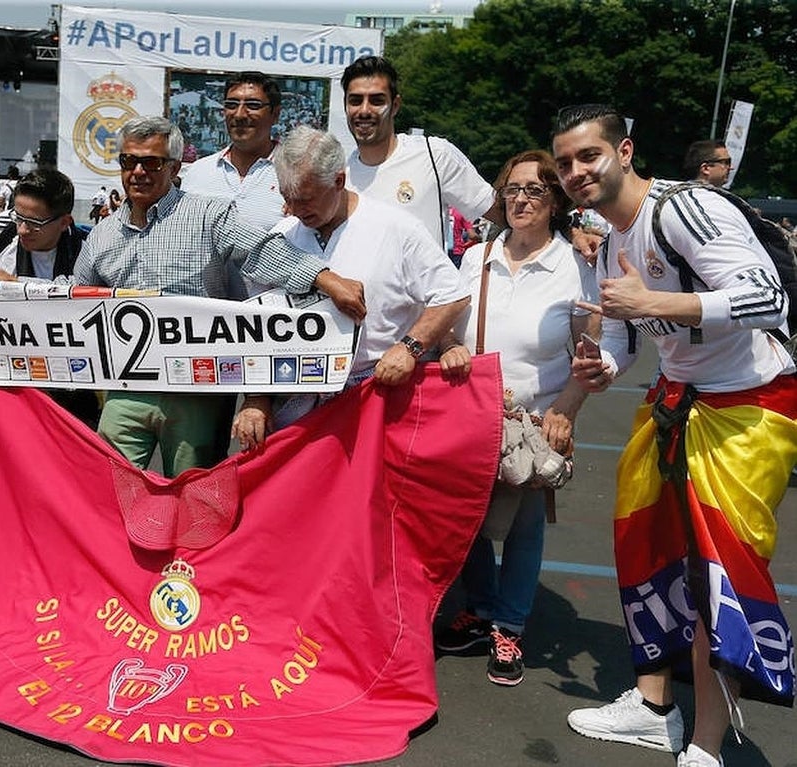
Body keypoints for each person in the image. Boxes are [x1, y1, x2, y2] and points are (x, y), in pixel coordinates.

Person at [553, 104, 796, 767]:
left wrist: (655, 303)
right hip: (673, 400)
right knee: (646, 547)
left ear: (624, 152)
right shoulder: (609, 239)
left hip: (749, 407)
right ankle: (654, 705)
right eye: (565, 162)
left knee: (718, 571)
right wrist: (600, 367)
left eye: (589, 155)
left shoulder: (685, 209)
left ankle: (707, 744)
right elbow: (622, 338)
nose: (576, 171)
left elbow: (767, 298)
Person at [72, 115, 366, 478]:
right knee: (105, 485)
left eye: (151, 163)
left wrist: (325, 279)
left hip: (198, 389)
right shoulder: (101, 236)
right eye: (129, 161)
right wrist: (16, 291)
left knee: (193, 492)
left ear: (174, 168)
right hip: (128, 389)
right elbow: (73, 301)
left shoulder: (209, 215)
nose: (138, 172)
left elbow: (262, 251)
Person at [433, 150, 599, 688]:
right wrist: (450, 345)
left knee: (524, 528)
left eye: (534, 190)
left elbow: (594, 349)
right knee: (470, 523)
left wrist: (565, 410)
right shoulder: (475, 257)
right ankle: (481, 608)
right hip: (475, 414)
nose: (521, 200)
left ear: (556, 201)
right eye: (512, 189)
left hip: (536, 419)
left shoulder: (575, 266)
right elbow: (446, 318)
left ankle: (509, 625)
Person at [231, 126, 468, 447]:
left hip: (376, 400)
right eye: (287, 198)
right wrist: (256, 399)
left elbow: (452, 294)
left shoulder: (396, 228)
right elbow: (257, 324)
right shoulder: (282, 236)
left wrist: (410, 347)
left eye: (306, 199)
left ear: (339, 181)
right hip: (299, 409)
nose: (296, 210)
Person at [0, 169, 101, 428]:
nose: (23, 229)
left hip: (71, 375)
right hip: (11, 372)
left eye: (35, 222)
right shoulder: (2, 236)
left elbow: (87, 302)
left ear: (64, 222)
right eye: (18, 216)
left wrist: (15, 286)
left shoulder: (87, 249)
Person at [341, 55, 503, 255]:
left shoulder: (435, 156)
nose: (364, 110)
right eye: (355, 101)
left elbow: (503, 215)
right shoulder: (340, 177)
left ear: (395, 105)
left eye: (376, 101)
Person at [180, 71, 286, 233]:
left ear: (276, 114)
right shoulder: (198, 173)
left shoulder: (297, 175)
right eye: (231, 105)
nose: (239, 114)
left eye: (253, 105)